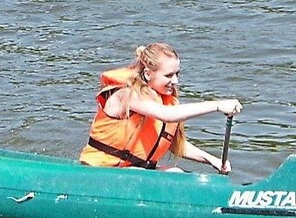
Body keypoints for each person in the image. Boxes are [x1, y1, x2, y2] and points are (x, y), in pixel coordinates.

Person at [79, 43, 242, 173]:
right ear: (149, 74)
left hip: (133, 170)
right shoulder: (127, 95)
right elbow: (167, 115)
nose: (176, 81)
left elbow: (174, 144)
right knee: (166, 175)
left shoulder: (164, 100)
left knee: (175, 173)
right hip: (100, 170)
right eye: (169, 75)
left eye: (177, 74)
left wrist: (212, 160)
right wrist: (217, 105)